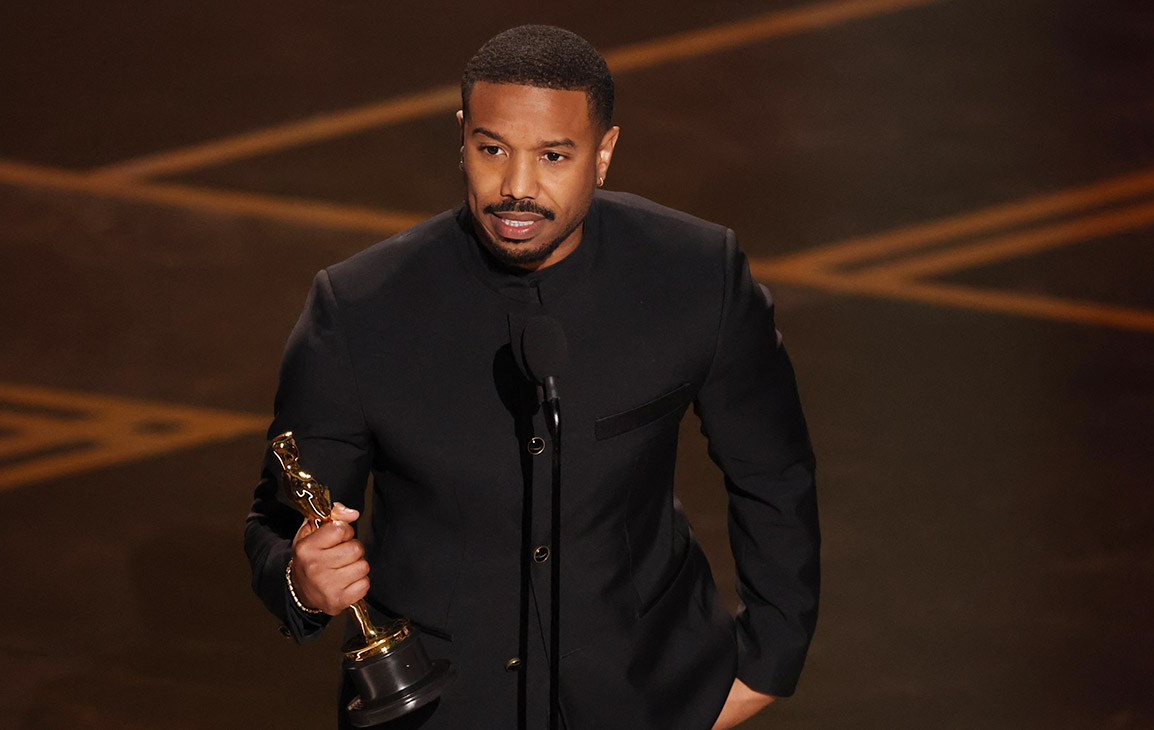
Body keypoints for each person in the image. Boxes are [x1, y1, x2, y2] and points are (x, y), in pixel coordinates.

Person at [245, 24, 819, 730]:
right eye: (492, 150)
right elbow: (281, 521)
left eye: (553, 155)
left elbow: (774, 473)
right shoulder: (359, 308)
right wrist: (302, 583)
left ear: (603, 153)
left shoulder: (697, 275)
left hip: (645, 695)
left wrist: (766, 664)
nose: (516, 188)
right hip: (441, 710)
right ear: (462, 137)